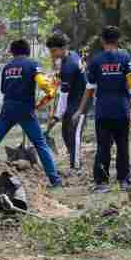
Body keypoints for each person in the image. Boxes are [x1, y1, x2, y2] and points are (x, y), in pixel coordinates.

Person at [0, 39, 63, 188]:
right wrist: (50, 91)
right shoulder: (32, 64)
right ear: (28, 51)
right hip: (25, 109)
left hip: (7, 108)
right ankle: (55, 180)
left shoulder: (7, 68)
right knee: (40, 144)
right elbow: (43, 83)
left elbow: (3, 90)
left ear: (12, 52)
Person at [75, 26, 131, 193]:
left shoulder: (96, 60)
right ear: (118, 40)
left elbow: (90, 87)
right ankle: (124, 181)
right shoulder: (125, 57)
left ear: (102, 40)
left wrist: (80, 109)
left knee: (103, 146)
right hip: (121, 109)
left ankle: (101, 182)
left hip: (103, 111)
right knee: (123, 145)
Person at [46, 32, 87, 172]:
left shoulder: (69, 65)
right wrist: (57, 74)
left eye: (53, 51)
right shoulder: (71, 55)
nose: (52, 54)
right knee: (65, 132)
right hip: (72, 99)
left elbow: (63, 96)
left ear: (63, 48)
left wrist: (56, 117)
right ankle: (74, 159)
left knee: (74, 133)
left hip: (81, 101)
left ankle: (76, 168)